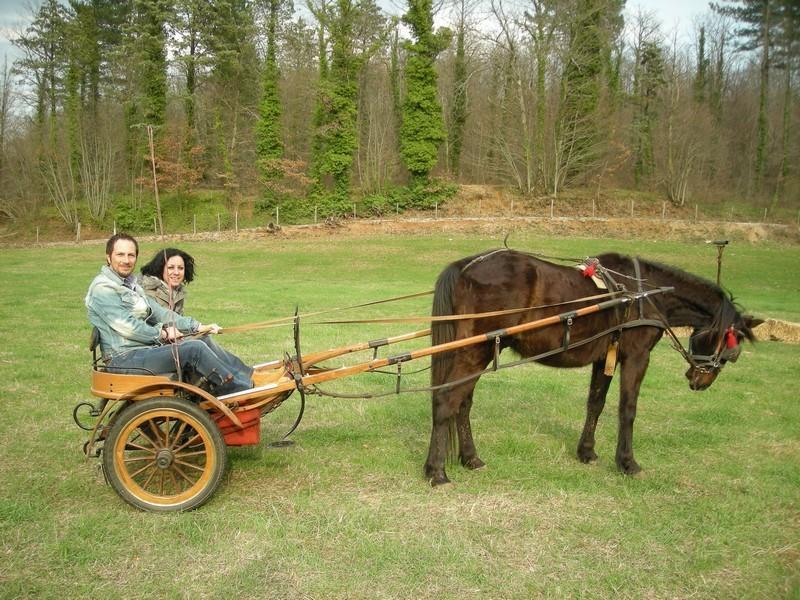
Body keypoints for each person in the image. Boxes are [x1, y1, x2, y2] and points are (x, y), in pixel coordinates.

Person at [85, 234, 255, 395]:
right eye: (120, 254)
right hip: (123, 358)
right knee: (194, 349)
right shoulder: (103, 289)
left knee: (201, 339)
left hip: (142, 351)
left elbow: (160, 313)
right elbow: (129, 327)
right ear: (108, 257)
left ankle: (246, 378)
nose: (126, 260)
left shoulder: (131, 285)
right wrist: (163, 333)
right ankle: (238, 390)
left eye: (131, 255)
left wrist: (197, 326)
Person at [138, 246, 253, 379]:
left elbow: (177, 321)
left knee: (203, 338)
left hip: (171, 340)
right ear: (160, 268)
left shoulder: (175, 291)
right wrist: (198, 327)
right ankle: (242, 377)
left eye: (180, 268)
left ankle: (244, 374)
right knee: (202, 340)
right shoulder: (148, 292)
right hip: (155, 346)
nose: (176, 272)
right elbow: (160, 319)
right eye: (171, 268)